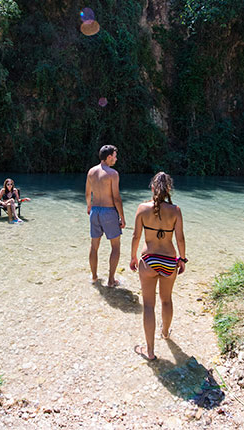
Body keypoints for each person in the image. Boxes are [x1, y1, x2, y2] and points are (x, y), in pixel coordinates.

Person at [130, 172, 186, 361]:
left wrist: (133, 257)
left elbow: (136, 236)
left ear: (152, 188)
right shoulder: (175, 210)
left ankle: (151, 351)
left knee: (148, 305)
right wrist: (182, 259)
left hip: (149, 260)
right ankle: (165, 334)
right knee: (167, 300)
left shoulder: (142, 208)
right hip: (169, 260)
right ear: (169, 189)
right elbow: (180, 238)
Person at [86, 144, 125, 287]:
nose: (116, 159)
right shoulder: (112, 174)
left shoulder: (91, 172)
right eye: (114, 156)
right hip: (109, 212)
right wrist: (122, 216)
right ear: (109, 157)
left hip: (95, 211)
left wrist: (89, 206)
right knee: (115, 247)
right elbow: (116, 198)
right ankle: (111, 280)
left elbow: (87, 193)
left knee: (94, 246)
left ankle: (94, 277)